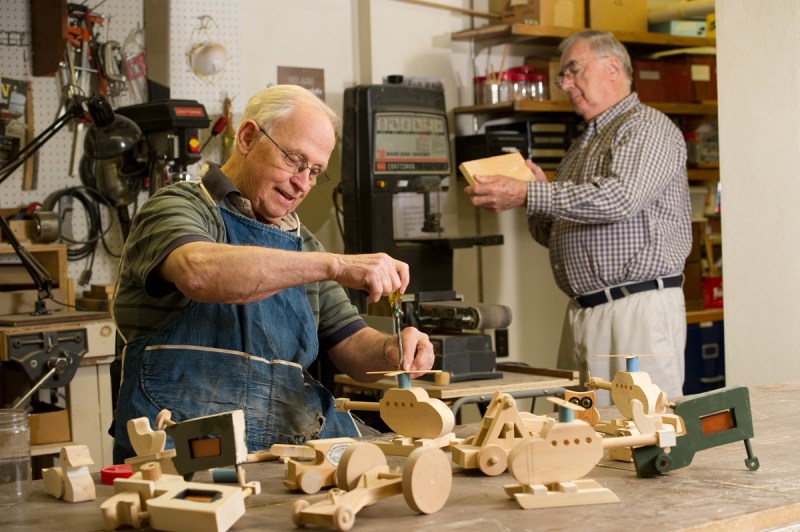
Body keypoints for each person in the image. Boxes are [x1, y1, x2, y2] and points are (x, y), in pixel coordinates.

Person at [111, 85, 434, 462]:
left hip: (288, 449)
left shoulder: (303, 245)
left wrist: (391, 350)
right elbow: (199, 272)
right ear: (247, 138)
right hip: (186, 449)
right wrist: (336, 264)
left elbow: (352, 348)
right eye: (295, 160)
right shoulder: (177, 207)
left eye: (315, 172)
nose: (302, 183)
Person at [464, 30, 692, 404]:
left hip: (636, 309)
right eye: (562, 77)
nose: (565, 84)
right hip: (584, 311)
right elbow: (554, 233)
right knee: (579, 436)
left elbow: (621, 198)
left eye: (573, 71)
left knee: (644, 431)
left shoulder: (646, 127)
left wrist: (528, 192)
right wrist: (533, 197)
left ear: (612, 67)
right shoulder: (582, 145)